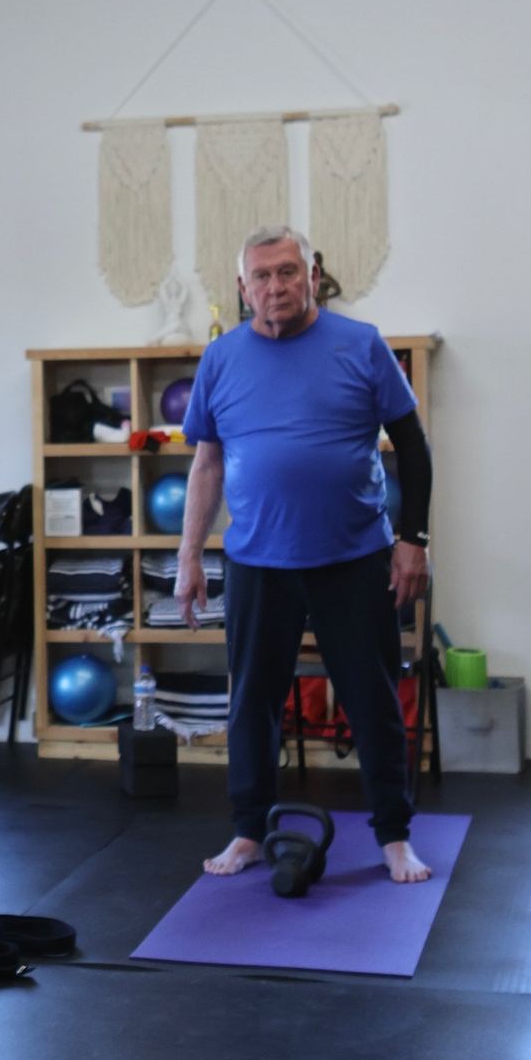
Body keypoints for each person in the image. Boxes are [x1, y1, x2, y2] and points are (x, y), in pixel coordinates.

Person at [174, 226, 435, 882]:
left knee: (371, 695)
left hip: (355, 557)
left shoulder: (361, 344)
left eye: (288, 271)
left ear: (313, 273)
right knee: (253, 701)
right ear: (243, 289)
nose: (276, 286)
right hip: (258, 560)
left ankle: (394, 835)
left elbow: (413, 446)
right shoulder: (222, 359)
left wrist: (414, 539)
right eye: (261, 276)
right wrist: (187, 555)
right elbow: (206, 464)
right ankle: (249, 830)